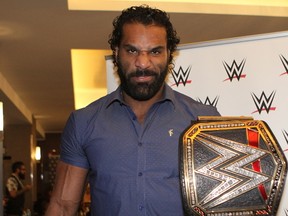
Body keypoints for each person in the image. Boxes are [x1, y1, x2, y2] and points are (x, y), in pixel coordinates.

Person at [45, 5, 220, 215]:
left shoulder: (202, 121)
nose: (143, 63)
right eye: (132, 50)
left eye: (155, 51)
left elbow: (220, 203)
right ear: (117, 53)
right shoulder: (84, 122)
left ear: (169, 55)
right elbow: (63, 206)